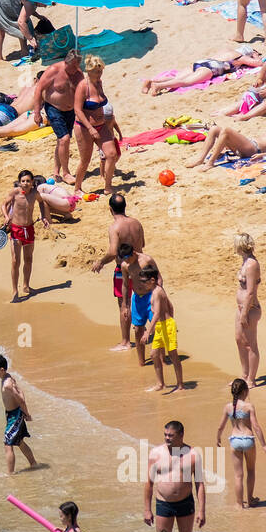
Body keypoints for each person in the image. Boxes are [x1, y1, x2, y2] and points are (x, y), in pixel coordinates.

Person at [144, 421, 205, 532]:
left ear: (181, 435)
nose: (167, 438)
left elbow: (199, 483)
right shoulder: (156, 453)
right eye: (165, 435)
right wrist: (147, 509)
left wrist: (202, 510)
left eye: (171, 435)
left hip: (185, 503)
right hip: (163, 503)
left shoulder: (192, 454)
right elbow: (149, 483)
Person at [91, 193, 145, 351]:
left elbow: (114, 252)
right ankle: (146, 332)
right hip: (141, 267)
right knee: (143, 300)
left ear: (110, 209)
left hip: (124, 270)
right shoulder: (137, 223)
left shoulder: (114, 227)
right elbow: (143, 243)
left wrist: (101, 262)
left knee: (124, 305)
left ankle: (126, 342)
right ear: (125, 207)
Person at [216, 379, 266, 508]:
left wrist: (218, 438)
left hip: (234, 441)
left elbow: (220, 427)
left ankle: (239, 503)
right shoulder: (248, 406)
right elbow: (256, 426)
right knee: (250, 470)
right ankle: (250, 499)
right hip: (248, 440)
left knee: (238, 476)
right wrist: (264, 445)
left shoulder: (228, 407)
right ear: (245, 391)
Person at [72, 55, 121, 194]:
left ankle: (107, 186)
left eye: (100, 70)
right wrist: (90, 127)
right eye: (96, 71)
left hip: (101, 125)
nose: (99, 73)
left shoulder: (99, 82)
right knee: (85, 160)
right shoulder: (83, 86)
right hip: (84, 127)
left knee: (112, 154)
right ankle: (77, 188)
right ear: (89, 70)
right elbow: (77, 110)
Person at [0, 169, 51, 302]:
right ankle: (15, 290)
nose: (25, 183)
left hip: (29, 229)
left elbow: (41, 202)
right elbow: (3, 204)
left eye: (28, 181)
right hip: (16, 230)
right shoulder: (15, 193)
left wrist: (43, 216)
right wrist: (6, 217)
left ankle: (26, 286)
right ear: (19, 182)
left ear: (32, 182)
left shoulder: (35, 193)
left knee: (28, 259)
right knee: (15, 261)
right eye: (23, 181)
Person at [34, 50, 84, 186]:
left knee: (62, 142)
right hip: (54, 108)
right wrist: (37, 112)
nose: (75, 69)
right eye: (73, 66)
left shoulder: (78, 74)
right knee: (64, 139)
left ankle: (56, 171)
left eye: (77, 66)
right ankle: (66, 173)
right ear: (66, 62)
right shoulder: (54, 70)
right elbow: (38, 89)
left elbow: (83, 91)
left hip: (71, 110)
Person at [140, 45, 263, 96]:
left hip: (201, 62)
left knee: (177, 77)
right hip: (211, 69)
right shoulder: (240, 57)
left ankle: (151, 81)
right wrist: (255, 55)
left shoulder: (227, 50)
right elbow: (258, 64)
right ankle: (158, 86)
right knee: (185, 82)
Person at [0, 354, 38, 475]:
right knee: (19, 442)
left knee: (7, 444)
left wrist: (26, 413)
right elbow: (21, 391)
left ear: (1, 370)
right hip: (12, 414)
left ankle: (10, 474)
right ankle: (33, 464)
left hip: (15, 416)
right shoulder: (7, 378)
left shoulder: (7, 384)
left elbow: (20, 398)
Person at [140, 265, 182, 393]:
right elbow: (171, 306)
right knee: (154, 354)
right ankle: (160, 384)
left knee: (173, 355)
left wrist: (148, 331)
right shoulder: (155, 291)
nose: (142, 284)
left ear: (152, 280)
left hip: (166, 325)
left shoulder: (158, 292)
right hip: (160, 326)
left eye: (144, 281)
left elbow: (157, 313)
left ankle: (180, 385)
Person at [230, 233, 262, 386]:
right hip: (241, 307)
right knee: (239, 340)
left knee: (250, 343)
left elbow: (250, 292)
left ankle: (251, 379)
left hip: (250, 308)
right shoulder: (244, 262)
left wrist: (244, 314)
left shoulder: (251, 265)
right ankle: (244, 374)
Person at [187, 125, 266, 169]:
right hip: (248, 144)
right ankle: (200, 159)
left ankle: (211, 162)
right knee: (214, 129)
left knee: (227, 130)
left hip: (254, 150)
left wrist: (263, 154)